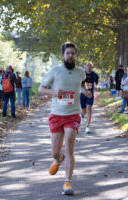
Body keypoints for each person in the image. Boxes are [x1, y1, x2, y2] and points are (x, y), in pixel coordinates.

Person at [38, 42, 91, 195]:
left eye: (73, 53)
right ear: (62, 55)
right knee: (55, 152)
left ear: (75, 55)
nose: (71, 56)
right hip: (56, 114)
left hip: (73, 114)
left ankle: (67, 182)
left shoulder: (81, 72)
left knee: (69, 147)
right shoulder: (55, 71)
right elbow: (41, 89)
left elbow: (81, 86)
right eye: (68, 53)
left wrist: (85, 92)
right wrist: (54, 92)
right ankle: (58, 158)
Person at [80, 61, 99, 134]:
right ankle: (82, 115)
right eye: (87, 65)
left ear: (92, 67)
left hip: (90, 94)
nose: (89, 67)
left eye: (90, 66)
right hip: (83, 94)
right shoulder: (82, 74)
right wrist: (85, 90)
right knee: (83, 111)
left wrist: (96, 87)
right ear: (85, 67)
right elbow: (79, 85)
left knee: (89, 108)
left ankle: (87, 127)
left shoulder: (95, 75)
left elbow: (96, 84)